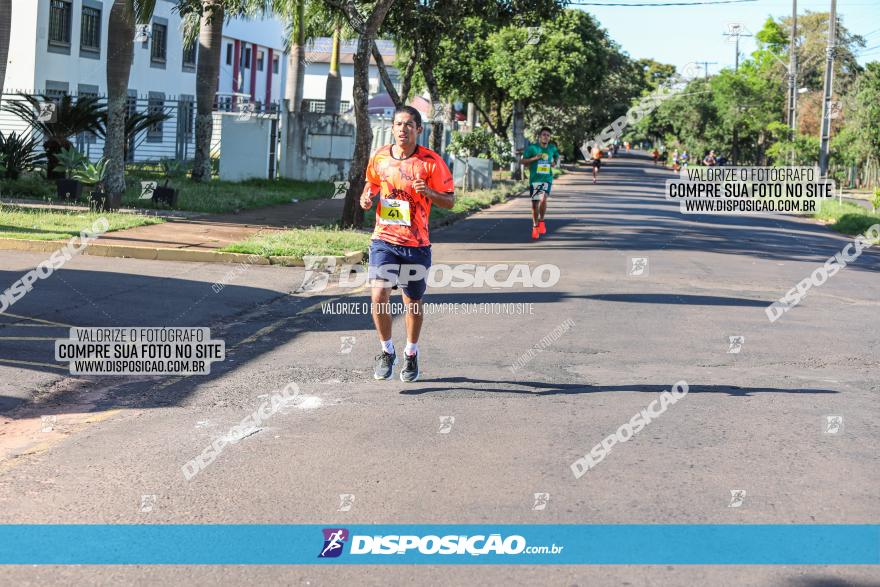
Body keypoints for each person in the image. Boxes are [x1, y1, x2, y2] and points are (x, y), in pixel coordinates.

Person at [360, 105, 455, 382]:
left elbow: (450, 201)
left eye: (409, 125)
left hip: (416, 244)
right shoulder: (380, 156)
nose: (403, 129)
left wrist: (430, 192)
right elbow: (372, 185)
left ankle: (411, 353)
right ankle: (386, 351)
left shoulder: (430, 162)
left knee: (412, 302)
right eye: (398, 124)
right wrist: (366, 198)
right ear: (392, 128)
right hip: (384, 239)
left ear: (418, 130)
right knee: (378, 295)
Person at [520, 127, 560, 240]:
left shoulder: (552, 148)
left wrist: (554, 162)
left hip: (547, 179)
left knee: (543, 199)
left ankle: (541, 220)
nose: (546, 137)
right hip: (535, 179)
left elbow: (556, 156)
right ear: (540, 136)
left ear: (550, 137)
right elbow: (522, 161)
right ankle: (535, 226)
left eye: (548, 135)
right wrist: (534, 158)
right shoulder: (533, 148)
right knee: (534, 205)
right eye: (544, 135)